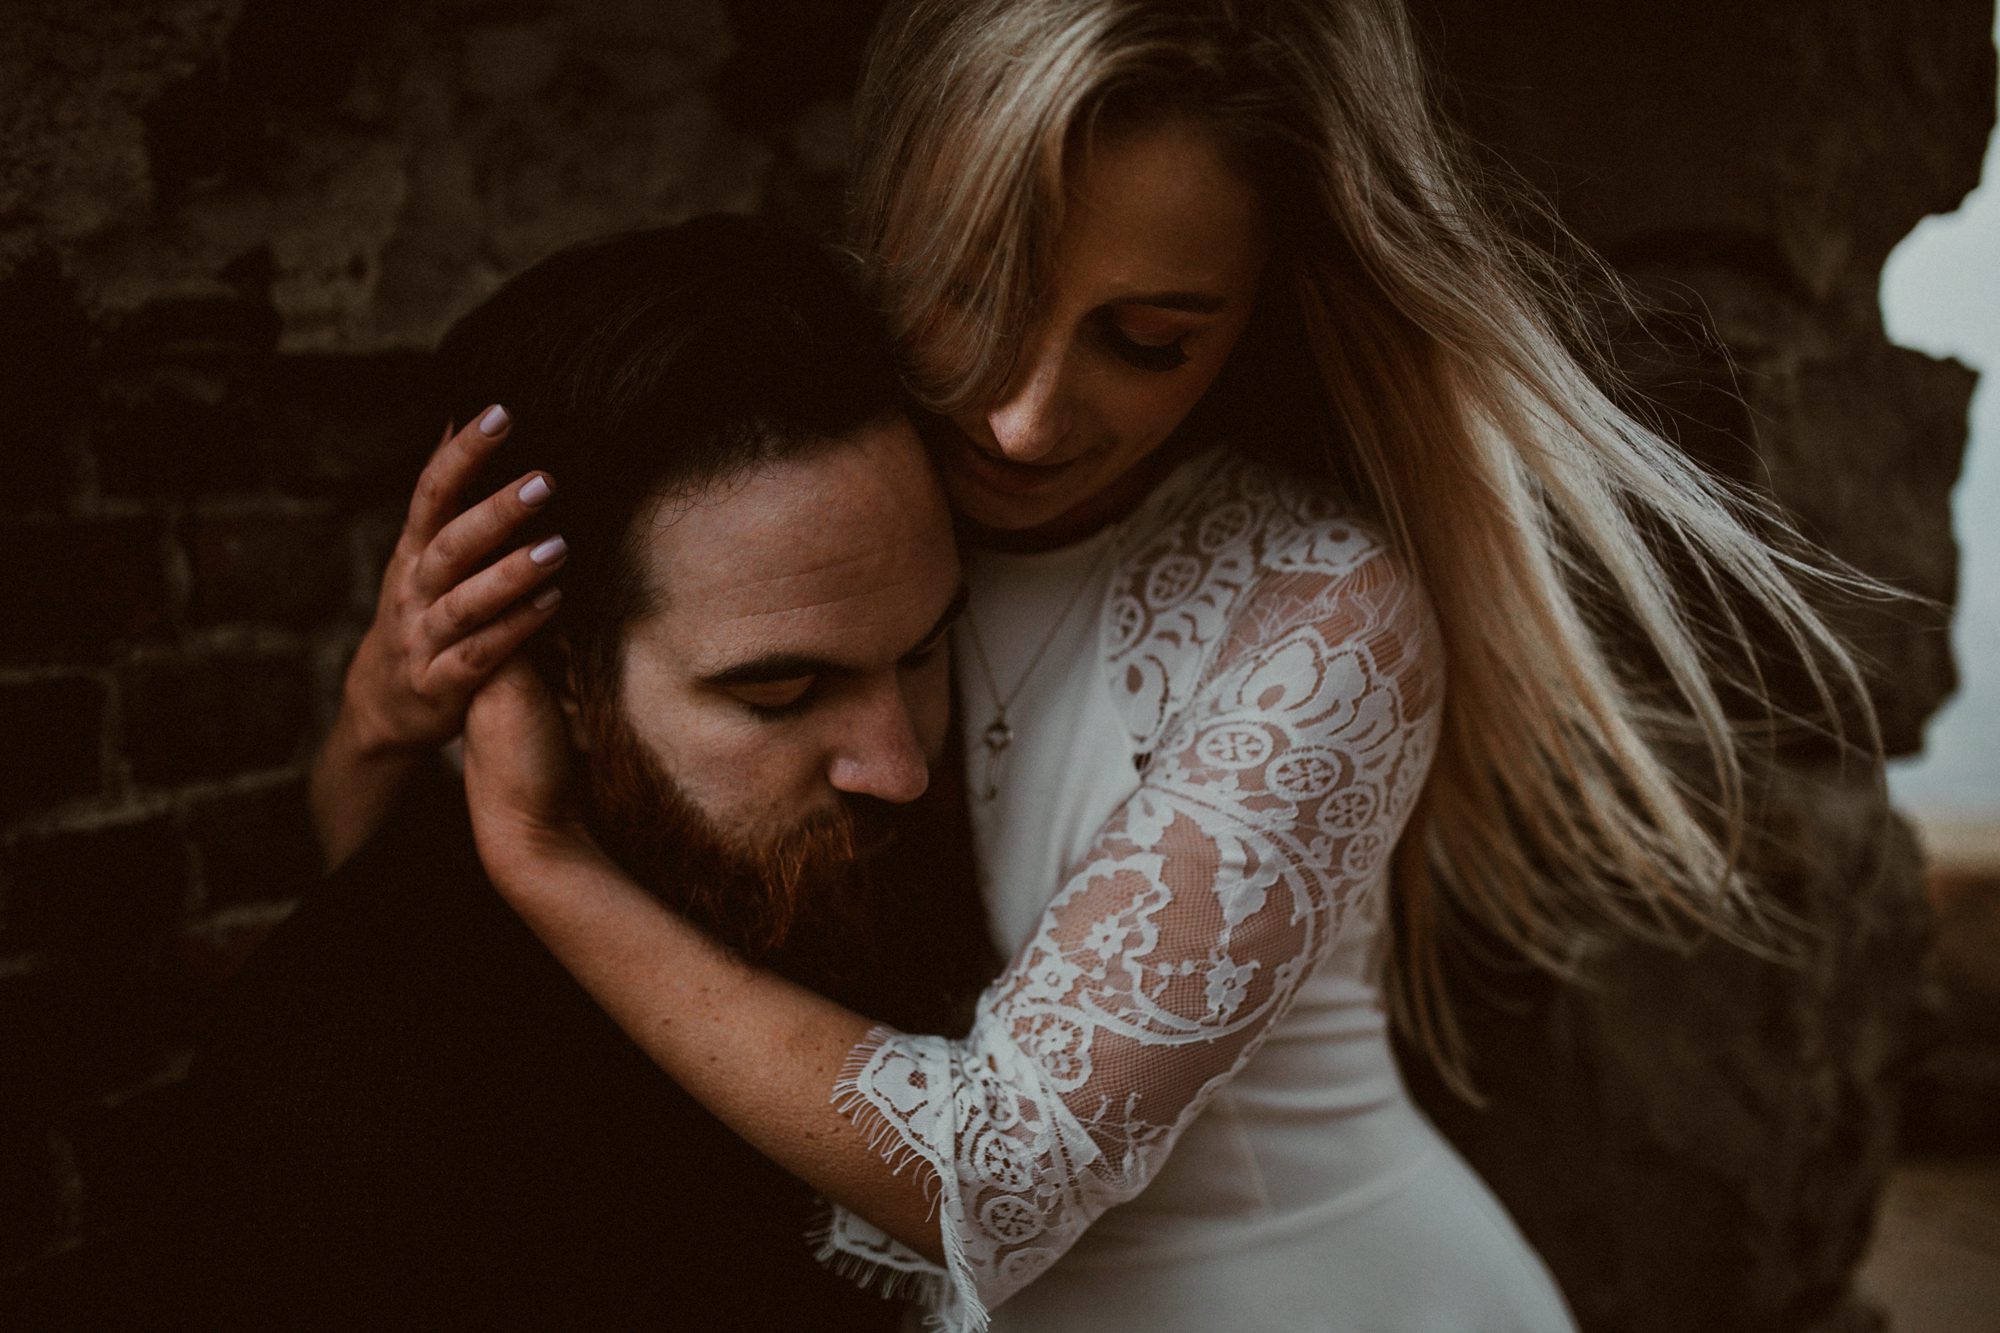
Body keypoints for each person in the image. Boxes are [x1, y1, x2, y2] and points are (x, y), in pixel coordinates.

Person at [315, 1, 1881, 1330]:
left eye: (1148, 340)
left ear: (1262, 304)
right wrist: (387, 723)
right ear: (890, 220)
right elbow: (413, 934)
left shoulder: (1322, 614)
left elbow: (989, 1172)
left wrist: (537, 854)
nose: (1021, 418)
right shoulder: (823, 493)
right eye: (970, 292)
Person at [156, 216, 994, 1331]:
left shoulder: (952, 817)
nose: (898, 768)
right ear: (555, 679)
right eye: (779, 696)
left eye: (926, 649)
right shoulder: (352, 1099)